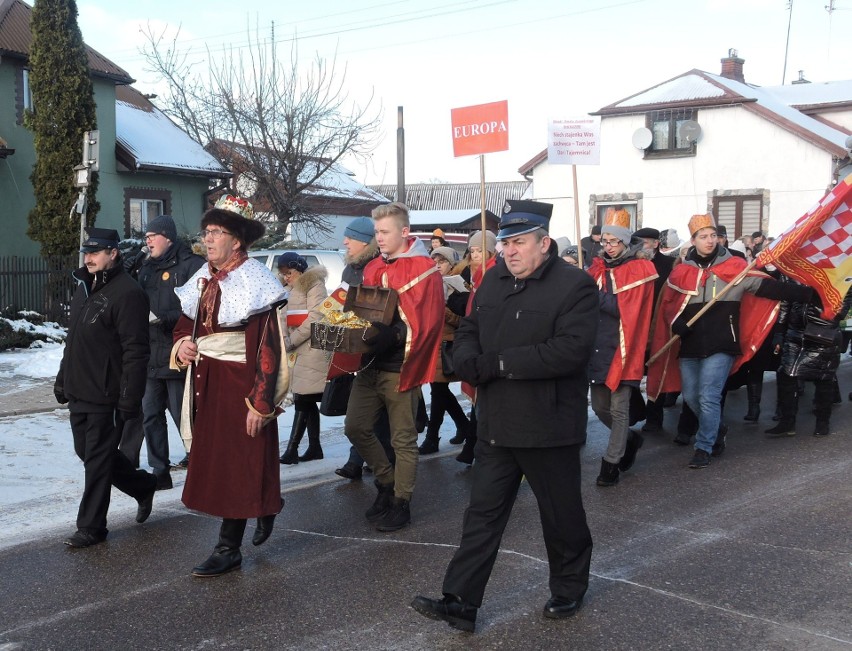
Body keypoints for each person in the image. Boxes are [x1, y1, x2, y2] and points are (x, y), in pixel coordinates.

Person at [411, 199, 598, 633]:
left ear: (543, 243)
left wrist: (495, 365)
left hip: (548, 424)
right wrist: (466, 358)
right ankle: (460, 601)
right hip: (496, 422)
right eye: (505, 244)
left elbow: (570, 351)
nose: (508, 251)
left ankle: (568, 587)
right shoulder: (493, 280)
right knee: (482, 514)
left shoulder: (576, 286)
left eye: (518, 243)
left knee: (561, 515)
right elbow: (472, 328)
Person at [172, 195, 287, 577]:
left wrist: (261, 402)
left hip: (240, 384)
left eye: (216, 232)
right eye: (207, 232)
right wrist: (183, 344)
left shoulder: (256, 281)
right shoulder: (203, 276)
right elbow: (185, 323)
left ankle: (228, 548)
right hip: (208, 379)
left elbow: (269, 348)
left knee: (241, 460)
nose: (208, 239)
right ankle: (264, 504)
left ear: (236, 240)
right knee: (221, 460)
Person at [647, 214, 814, 469]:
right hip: (690, 345)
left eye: (713, 235)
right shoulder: (681, 272)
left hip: (723, 343)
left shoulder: (736, 269)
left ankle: (704, 446)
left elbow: (770, 289)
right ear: (693, 240)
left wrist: (813, 295)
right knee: (691, 396)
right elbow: (668, 307)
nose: (710, 241)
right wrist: (675, 324)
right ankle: (717, 428)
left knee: (708, 396)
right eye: (704, 237)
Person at [343, 202, 444, 532]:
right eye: (376, 232)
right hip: (370, 363)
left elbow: (428, 322)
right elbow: (362, 311)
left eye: (385, 232)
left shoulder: (424, 269)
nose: (379, 238)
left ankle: (402, 502)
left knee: (403, 439)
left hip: (401, 366)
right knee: (355, 427)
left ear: (404, 232)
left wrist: (395, 333)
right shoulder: (372, 266)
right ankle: (386, 483)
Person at [53, 227, 157, 548]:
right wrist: (61, 379)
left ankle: (92, 527)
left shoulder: (128, 293)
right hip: (78, 388)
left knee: (97, 461)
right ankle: (142, 486)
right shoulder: (84, 287)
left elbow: (136, 351)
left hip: (106, 392)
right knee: (88, 453)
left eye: (96, 252)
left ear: (113, 253)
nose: (89, 258)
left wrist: (130, 398)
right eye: (87, 252)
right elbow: (74, 341)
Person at [118, 215, 205, 490]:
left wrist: (163, 318)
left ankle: (201, 465)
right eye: (146, 237)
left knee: (185, 417)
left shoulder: (192, 266)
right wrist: (126, 270)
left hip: (177, 354)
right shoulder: (144, 268)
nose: (147, 241)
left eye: (152, 236)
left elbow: (199, 310)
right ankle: (160, 471)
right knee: (151, 415)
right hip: (149, 356)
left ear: (167, 237)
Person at [588, 217, 657, 486]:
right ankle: (629, 439)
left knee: (619, 409)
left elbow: (624, 310)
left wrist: (593, 295)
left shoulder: (641, 269)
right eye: (604, 241)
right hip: (597, 346)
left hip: (624, 346)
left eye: (614, 241)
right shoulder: (595, 269)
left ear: (625, 241)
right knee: (599, 407)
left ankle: (611, 461)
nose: (608, 246)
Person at [333, 216, 396, 481]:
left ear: (365, 241)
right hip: (355, 348)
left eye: (351, 237)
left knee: (380, 413)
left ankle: (381, 468)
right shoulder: (349, 269)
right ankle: (358, 460)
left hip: (381, 349)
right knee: (360, 415)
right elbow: (341, 304)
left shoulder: (379, 266)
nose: (345, 241)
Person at [765, 280, 850, 438]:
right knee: (785, 374)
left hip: (823, 334)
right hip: (795, 334)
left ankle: (822, 422)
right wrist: (779, 332)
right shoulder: (797, 271)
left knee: (823, 378)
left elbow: (840, 311)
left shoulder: (838, 274)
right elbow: (785, 303)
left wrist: (814, 297)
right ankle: (787, 422)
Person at [277, 252, 331, 464]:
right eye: (283, 274)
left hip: (311, 348)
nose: (286, 277)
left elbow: (317, 315)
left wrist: (293, 340)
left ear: (298, 269)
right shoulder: (287, 289)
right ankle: (315, 447)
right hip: (297, 350)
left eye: (288, 273)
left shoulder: (314, 284)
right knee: (306, 399)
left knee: (303, 398)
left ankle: (292, 449)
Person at [418, 246, 470, 455]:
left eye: (442, 262)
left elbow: (464, 320)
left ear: (451, 265)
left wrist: (444, 312)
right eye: (434, 261)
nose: (437, 265)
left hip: (448, 344)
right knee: (439, 391)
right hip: (432, 344)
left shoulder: (458, 286)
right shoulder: (429, 284)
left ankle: (432, 438)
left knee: (438, 391)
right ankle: (464, 425)